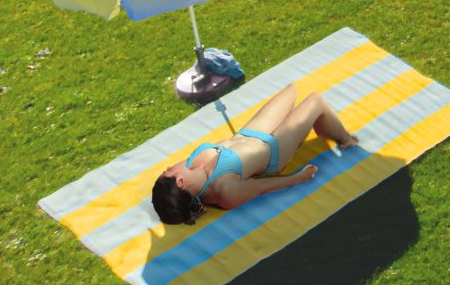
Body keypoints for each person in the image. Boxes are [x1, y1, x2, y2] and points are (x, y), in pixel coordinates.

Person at [148, 86, 358, 225]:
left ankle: (318, 125)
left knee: (291, 91)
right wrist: (298, 177)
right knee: (315, 100)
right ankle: (346, 139)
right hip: (275, 150)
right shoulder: (224, 191)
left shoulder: (190, 165)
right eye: (168, 172)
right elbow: (262, 186)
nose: (169, 167)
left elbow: (172, 202)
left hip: (249, 133)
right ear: (181, 182)